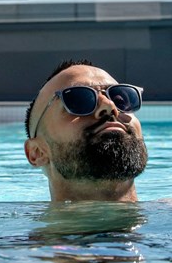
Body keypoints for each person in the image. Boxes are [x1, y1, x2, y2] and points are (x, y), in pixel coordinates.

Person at [24, 59, 147, 202]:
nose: (109, 106)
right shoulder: (3, 220)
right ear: (37, 152)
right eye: (79, 101)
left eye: (121, 99)